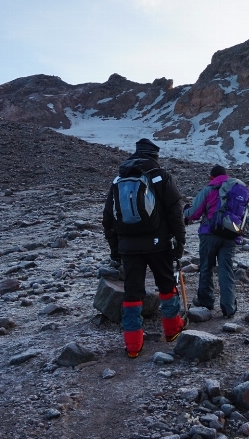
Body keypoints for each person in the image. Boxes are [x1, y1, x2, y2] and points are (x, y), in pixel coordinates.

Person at [102, 139, 186, 357]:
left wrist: (115, 250)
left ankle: (133, 345)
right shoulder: (161, 176)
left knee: (132, 292)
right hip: (159, 243)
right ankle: (172, 330)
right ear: (154, 156)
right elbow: (175, 213)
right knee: (166, 286)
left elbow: (108, 218)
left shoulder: (119, 178)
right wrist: (179, 243)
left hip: (128, 246)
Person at [183, 165, 240, 318]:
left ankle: (205, 302)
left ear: (212, 177)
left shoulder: (209, 189)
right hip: (230, 235)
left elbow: (194, 213)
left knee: (206, 267)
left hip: (209, 234)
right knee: (226, 270)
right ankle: (229, 308)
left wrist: (185, 212)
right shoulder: (236, 189)